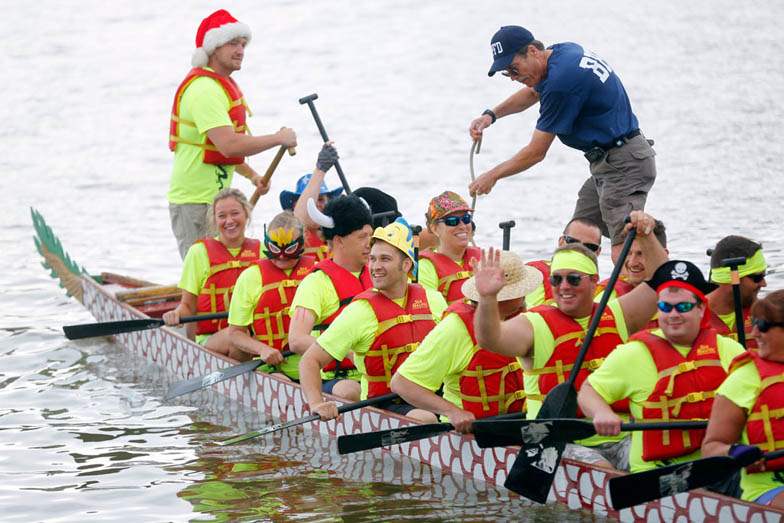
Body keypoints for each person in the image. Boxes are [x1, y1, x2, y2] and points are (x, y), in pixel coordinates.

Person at [474, 211, 666, 469]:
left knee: (659, 459)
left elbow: (666, 278)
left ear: (594, 281)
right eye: (556, 279)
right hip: (557, 439)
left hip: (620, 434)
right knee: (603, 470)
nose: (564, 286)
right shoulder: (534, 325)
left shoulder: (620, 313)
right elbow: (490, 339)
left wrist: (647, 234)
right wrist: (487, 298)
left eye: (574, 279)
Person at [468, 26, 656, 263]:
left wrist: (492, 175)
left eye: (514, 68)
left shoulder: (561, 84)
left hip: (624, 163)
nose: (513, 77)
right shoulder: (562, 53)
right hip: (608, 162)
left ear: (533, 51)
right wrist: (491, 115)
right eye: (507, 73)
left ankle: (659, 279)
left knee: (624, 248)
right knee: (576, 238)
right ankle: (576, 284)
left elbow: (536, 153)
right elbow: (533, 93)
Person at [578, 260, 745, 483]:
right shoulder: (632, 354)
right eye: (666, 307)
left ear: (701, 308)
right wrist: (601, 412)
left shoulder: (730, 350)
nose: (673, 314)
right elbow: (588, 391)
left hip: (717, 464)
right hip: (656, 473)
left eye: (683, 307)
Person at [168, 9, 297, 259]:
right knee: (204, 273)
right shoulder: (204, 90)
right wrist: (277, 138)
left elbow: (218, 149)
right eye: (232, 43)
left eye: (243, 44)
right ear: (213, 48)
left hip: (214, 201)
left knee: (223, 268)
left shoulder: (218, 86)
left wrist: (252, 176)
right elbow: (229, 145)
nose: (240, 50)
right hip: (194, 201)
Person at [300, 220, 446, 421]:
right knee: (426, 418)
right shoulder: (360, 312)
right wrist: (317, 403)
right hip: (386, 403)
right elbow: (310, 360)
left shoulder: (433, 300)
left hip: (433, 395)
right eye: (372, 259)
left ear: (406, 264)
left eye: (385, 259)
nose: (375, 267)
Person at [391, 250, 541, 432]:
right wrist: (453, 412)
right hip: (471, 433)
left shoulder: (527, 318)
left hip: (521, 425)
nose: (525, 297)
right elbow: (402, 383)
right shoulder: (456, 328)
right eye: (521, 292)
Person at [287, 187, 373, 400]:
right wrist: (347, 351)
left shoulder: (379, 273)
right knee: (351, 391)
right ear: (339, 240)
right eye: (362, 237)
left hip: (379, 374)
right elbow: (296, 340)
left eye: (371, 236)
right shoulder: (316, 283)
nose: (369, 244)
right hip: (338, 378)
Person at [702, 290, 784, 508]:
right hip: (769, 488)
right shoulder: (744, 378)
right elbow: (710, 448)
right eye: (754, 323)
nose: (754, 333)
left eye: (763, 326)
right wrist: (734, 451)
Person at [163, 188, 261, 354]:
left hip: (255, 336)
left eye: (235, 213)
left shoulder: (262, 250)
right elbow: (187, 306)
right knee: (237, 335)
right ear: (214, 221)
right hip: (212, 338)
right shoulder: (198, 252)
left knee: (245, 335)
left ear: (246, 214)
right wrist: (176, 314)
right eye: (222, 216)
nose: (229, 221)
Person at [225, 211, 316, 379]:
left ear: (302, 243)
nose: (281, 256)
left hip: (316, 364)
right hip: (272, 366)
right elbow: (235, 333)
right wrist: (262, 349)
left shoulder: (316, 272)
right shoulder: (251, 277)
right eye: (275, 248)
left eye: (289, 249)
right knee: (281, 380)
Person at [418, 191, 481, 304]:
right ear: (434, 229)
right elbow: (433, 310)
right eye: (452, 221)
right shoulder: (424, 268)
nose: (462, 226)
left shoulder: (484, 259)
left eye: (466, 218)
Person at [525, 217, 603, 308]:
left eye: (589, 246)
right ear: (561, 242)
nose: (579, 250)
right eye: (573, 242)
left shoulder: (604, 291)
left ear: (598, 252)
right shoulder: (535, 274)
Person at [707, 235, 768, 349]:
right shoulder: (688, 317)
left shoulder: (769, 315)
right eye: (757, 277)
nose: (764, 284)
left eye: (764, 275)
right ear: (729, 279)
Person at [594, 219, 668, 300]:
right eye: (628, 253)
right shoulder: (608, 296)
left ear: (664, 254)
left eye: (640, 254)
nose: (632, 263)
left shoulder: (675, 292)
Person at [281, 172, 343, 262]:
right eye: (310, 200)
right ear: (295, 206)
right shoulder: (286, 235)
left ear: (328, 203)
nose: (316, 204)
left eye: (320, 199)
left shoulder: (339, 234)